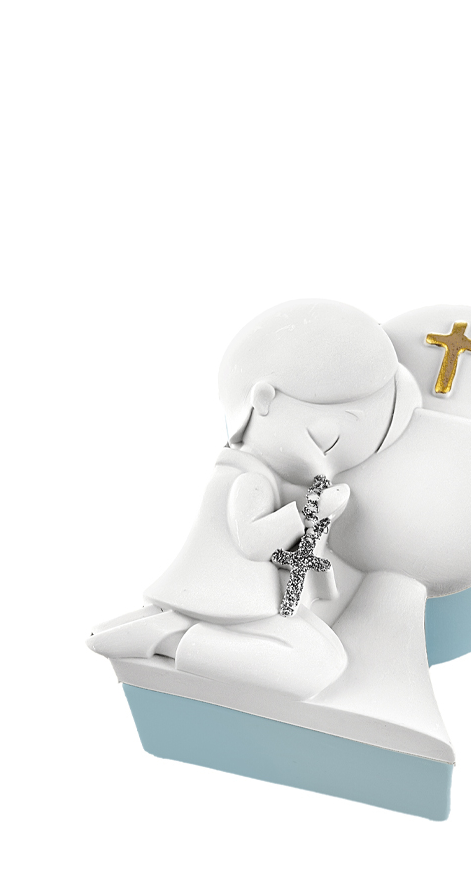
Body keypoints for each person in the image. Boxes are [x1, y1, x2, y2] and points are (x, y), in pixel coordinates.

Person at [88, 299, 421, 700]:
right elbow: (254, 542)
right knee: (313, 666)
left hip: (245, 605)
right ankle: (172, 640)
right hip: (227, 604)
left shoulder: (256, 476)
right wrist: (309, 511)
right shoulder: (250, 481)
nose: (325, 467)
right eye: (327, 441)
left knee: (324, 657)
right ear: (262, 400)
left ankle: (173, 632)